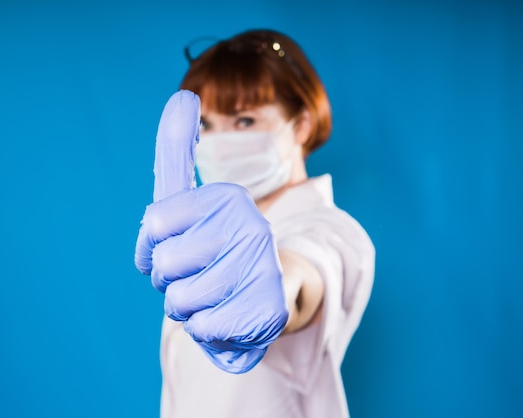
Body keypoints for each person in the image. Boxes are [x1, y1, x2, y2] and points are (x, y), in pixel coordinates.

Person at [135, 28, 375, 418]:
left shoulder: (333, 233)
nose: (220, 140)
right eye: (207, 126)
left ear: (301, 125)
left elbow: (300, 276)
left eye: (244, 120)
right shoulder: (204, 238)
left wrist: (265, 287)